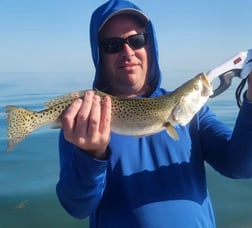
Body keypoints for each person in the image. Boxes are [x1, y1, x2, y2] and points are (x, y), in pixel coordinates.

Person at [56, 0, 252, 227]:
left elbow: (241, 166)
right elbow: (76, 206)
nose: (127, 52)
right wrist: (91, 155)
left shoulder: (194, 115)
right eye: (112, 45)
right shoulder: (85, 119)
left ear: (150, 45)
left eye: (137, 40)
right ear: (99, 54)